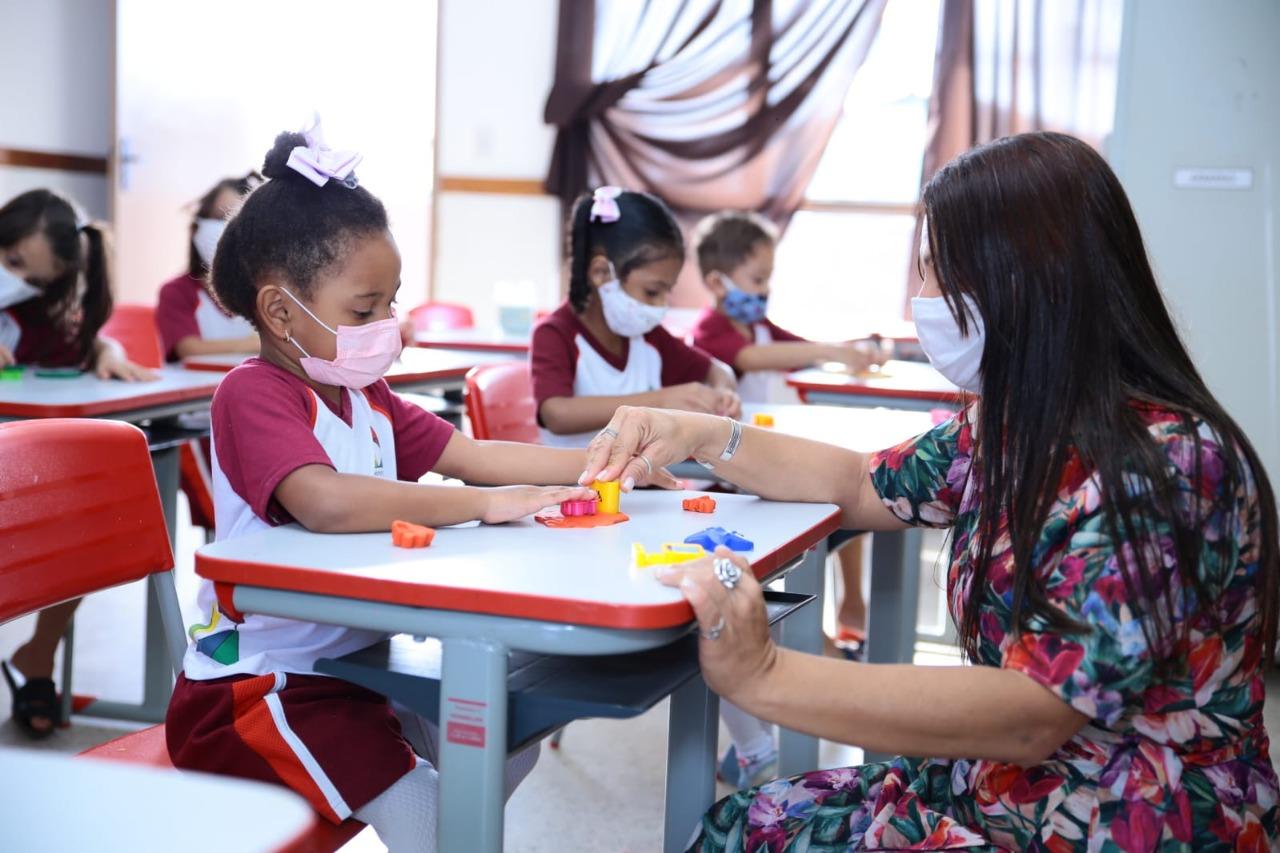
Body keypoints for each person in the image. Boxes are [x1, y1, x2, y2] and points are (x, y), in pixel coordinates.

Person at [580, 132, 1280, 850]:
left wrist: (765, 672)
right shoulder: (1011, 428)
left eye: (936, 270)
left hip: (1125, 816)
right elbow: (858, 480)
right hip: (1004, 784)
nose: (922, 299)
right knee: (739, 825)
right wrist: (702, 435)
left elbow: (1034, 712)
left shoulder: (1166, 466)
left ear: (1024, 282)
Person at [162, 126, 652, 852]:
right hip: (259, 689)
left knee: (503, 734)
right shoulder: (254, 392)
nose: (387, 328)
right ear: (280, 312)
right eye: (364, 311)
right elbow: (324, 500)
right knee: (433, 814)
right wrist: (478, 505)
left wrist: (612, 460)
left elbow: (478, 454)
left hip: (354, 670)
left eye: (391, 304)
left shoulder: (369, 397)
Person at [691, 210, 884, 660]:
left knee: (849, 495)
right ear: (718, 283)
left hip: (765, 460)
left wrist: (851, 348)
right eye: (757, 279)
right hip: (727, 474)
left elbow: (793, 349)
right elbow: (753, 357)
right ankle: (830, 656)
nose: (764, 291)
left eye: (769, 278)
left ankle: (851, 608)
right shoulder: (711, 333)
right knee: (827, 502)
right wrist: (829, 350)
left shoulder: (759, 325)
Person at [0, 188, 156, 739]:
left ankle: (38, 654)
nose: (18, 281)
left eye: (35, 279)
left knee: (88, 519)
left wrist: (108, 353)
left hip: (22, 472)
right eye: (12, 262)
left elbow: (86, 345)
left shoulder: (41, 314)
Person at [531, 186, 741, 449]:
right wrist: (660, 400)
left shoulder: (649, 335)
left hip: (640, 484)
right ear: (601, 272)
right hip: (574, 484)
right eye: (652, 291)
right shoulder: (555, 333)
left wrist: (723, 393)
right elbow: (556, 414)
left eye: (667, 292)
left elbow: (718, 371)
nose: (661, 305)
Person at [156, 172, 262, 362]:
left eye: (238, 220)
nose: (226, 230)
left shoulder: (265, 290)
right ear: (197, 228)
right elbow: (189, 349)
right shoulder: (176, 292)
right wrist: (256, 344)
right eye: (221, 217)